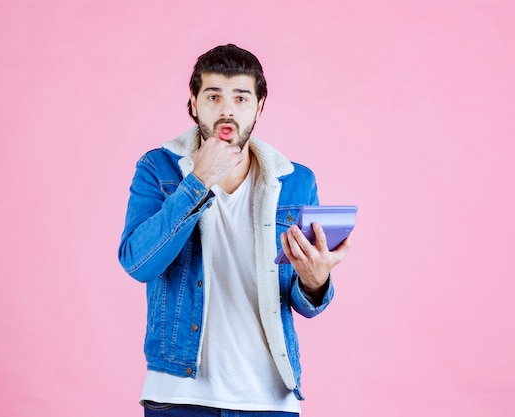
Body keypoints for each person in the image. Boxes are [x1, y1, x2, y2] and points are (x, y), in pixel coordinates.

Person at [118, 44, 351, 417]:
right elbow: (138, 263)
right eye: (214, 96)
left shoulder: (296, 180)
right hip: (178, 395)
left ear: (259, 107)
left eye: (241, 98)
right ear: (193, 103)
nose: (227, 109)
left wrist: (315, 280)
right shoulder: (158, 168)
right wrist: (198, 181)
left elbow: (304, 302)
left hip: (269, 399)